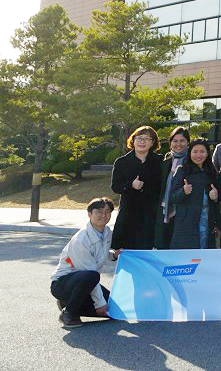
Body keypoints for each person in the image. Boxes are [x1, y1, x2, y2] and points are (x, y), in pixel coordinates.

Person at [51, 197, 121, 328]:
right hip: (63, 284)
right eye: (99, 211)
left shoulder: (106, 232)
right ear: (89, 214)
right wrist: (100, 303)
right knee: (92, 277)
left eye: (107, 211)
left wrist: (113, 255)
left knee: (115, 312)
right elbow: (89, 272)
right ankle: (68, 313)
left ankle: (68, 304)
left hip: (86, 282)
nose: (104, 215)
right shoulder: (81, 240)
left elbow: (99, 253)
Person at [110, 125, 163, 250]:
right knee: (127, 256)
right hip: (129, 215)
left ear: (153, 143)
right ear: (133, 140)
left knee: (148, 257)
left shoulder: (160, 161)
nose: (142, 142)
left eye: (147, 139)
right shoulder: (121, 162)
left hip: (151, 216)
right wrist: (130, 185)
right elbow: (115, 186)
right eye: (139, 138)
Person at [168, 138, 220, 249]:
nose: (198, 155)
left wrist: (215, 196)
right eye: (195, 151)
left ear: (207, 154)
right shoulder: (182, 170)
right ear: (189, 153)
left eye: (202, 151)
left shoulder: (212, 172)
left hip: (207, 220)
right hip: (186, 223)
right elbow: (172, 197)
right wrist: (183, 191)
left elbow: (217, 199)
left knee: (205, 254)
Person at [154, 126, 190, 249]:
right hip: (164, 210)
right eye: (175, 141)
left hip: (182, 212)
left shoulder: (192, 161)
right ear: (170, 143)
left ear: (188, 142)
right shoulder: (165, 162)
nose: (178, 144)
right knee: (163, 246)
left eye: (182, 141)